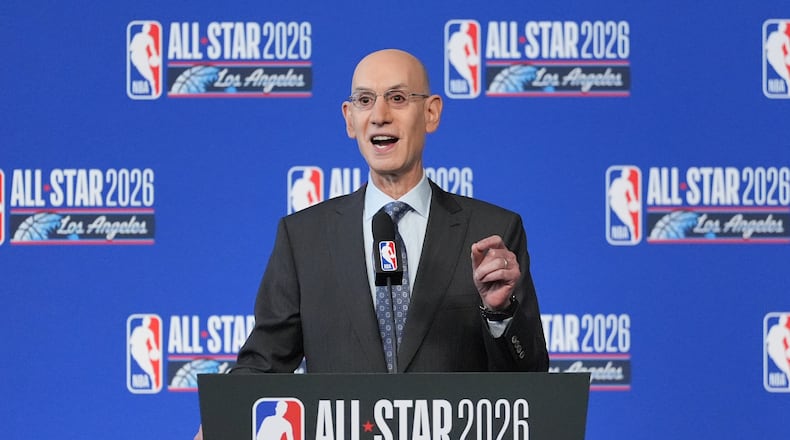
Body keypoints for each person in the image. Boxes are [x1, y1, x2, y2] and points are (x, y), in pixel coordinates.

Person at [194, 48, 548, 439]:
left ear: (431, 113)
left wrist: (500, 315)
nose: (380, 114)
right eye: (365, 100)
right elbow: (264, 365)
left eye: (397, 98)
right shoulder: (304, 237)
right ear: (350, 119)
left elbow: (529, 384)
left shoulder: (491, 231)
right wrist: (221, 420)